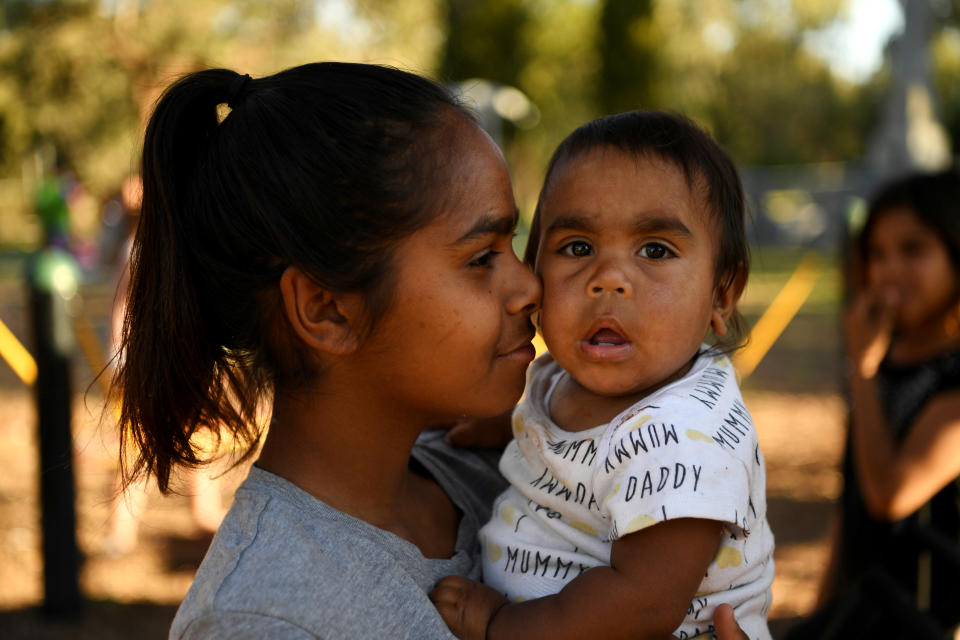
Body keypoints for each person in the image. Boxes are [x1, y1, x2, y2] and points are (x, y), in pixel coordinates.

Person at [116, 62, 754, 639]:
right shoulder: (265, 618)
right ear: (327, 309)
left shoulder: (511, 468)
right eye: (481, 259)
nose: (531, 286)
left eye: (515, 246)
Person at [431, 112, 775, 640]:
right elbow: (570, 437)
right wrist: (506, 427)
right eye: (578, 248)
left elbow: (642, 603)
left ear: (721, 294)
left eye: (655, 250)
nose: (608, 279)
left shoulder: (681, 440)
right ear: (534, 268)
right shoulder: (558, 376)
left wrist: (502, 623)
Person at [792, 170, 960, 638]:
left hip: (924, 618)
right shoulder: (885, 360)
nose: (889, 271)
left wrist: (861, 370)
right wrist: (821, 607)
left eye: (913, 249)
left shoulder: (950, 378)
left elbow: (891, 495)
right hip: (861, 610)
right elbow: (857, 502)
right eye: (877, 254)